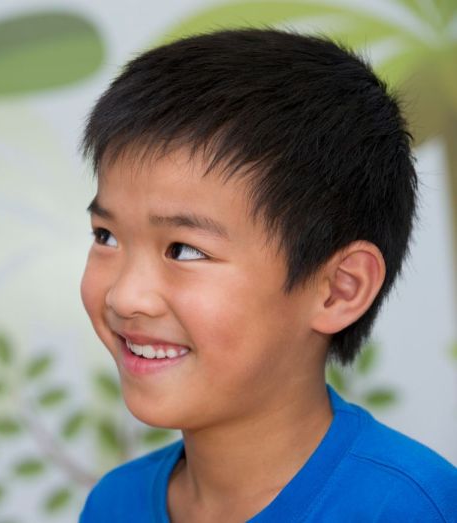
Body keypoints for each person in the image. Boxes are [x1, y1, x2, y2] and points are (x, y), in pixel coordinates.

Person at [78, 28, 457, 522]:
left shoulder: (413, 508)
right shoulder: (113, 505)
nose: (127, 296)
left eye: (185, 250)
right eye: (106, 236)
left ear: (340, 288)